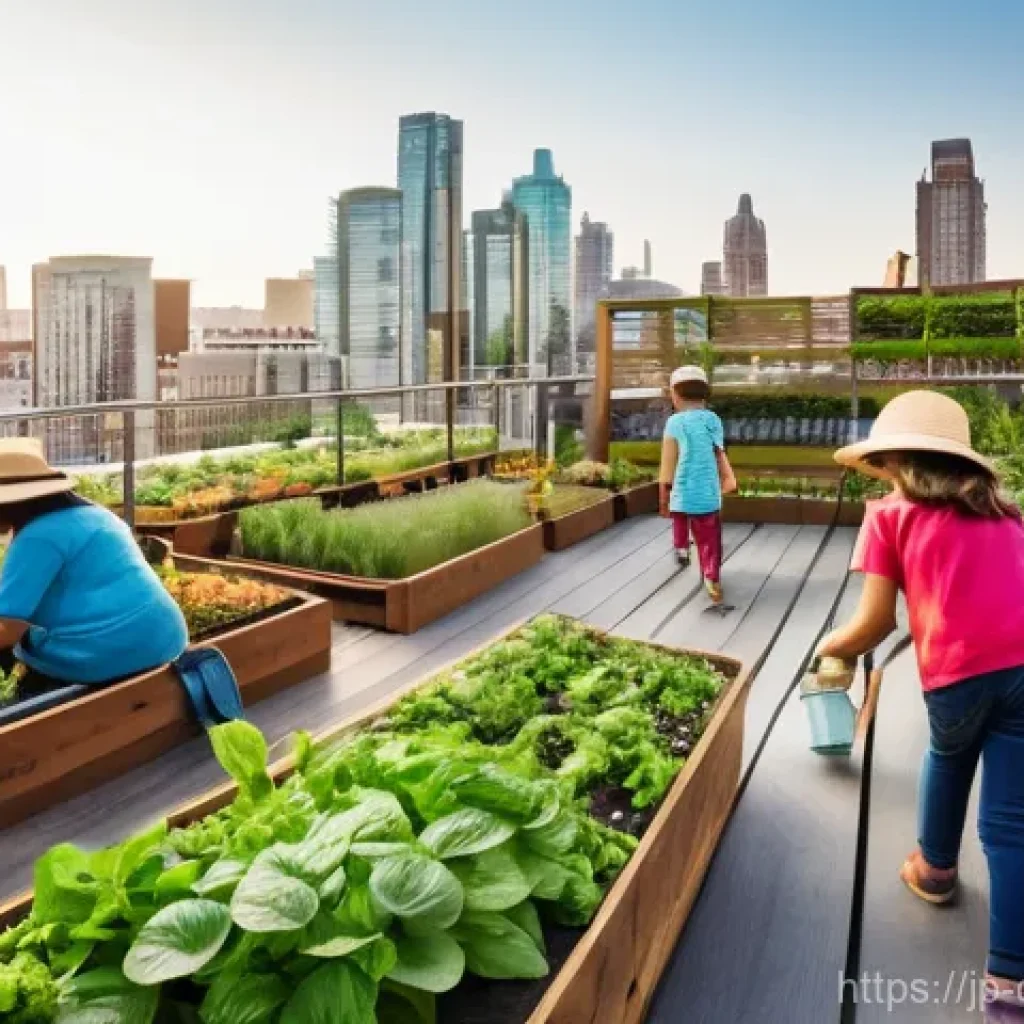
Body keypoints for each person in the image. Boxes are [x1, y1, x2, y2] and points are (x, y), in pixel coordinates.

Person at [817, 390, 1024, 1020]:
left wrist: (833, 645)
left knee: (948, 749)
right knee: (1012, 822)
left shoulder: (888, 515)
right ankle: (1010, 984)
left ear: (893, 461)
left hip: (958, 673)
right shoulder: (1007, 515)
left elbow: (875, 622)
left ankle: (934, 869)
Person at [0, 438, 188, 696]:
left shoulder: (37, 537)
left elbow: (8, 629)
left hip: (106, 656)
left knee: (24, 686)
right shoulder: (95, 514)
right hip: (163, 638)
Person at [658, 366, 735, 607]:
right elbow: (718, 452)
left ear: (675, 394)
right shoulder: (713, 420)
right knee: (709, 536)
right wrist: (726, 477)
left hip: (682, 489)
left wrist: (663, 493)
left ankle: (681, 548)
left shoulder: (674, 422)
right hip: (708, 492)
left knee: (679, 515)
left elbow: (668, 463)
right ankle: (711, 576)